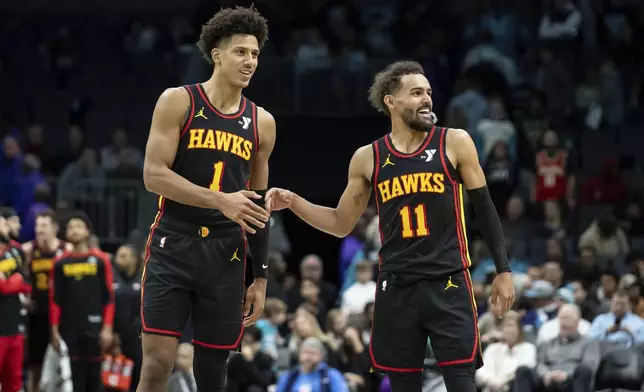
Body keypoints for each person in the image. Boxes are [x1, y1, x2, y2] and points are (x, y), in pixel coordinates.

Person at [266, 60, 515, 392]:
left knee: (462, 384)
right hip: (397, 288)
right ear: (391, 101)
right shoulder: (367, 157)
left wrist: (503, 269)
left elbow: (484, 209)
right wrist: (295, 201)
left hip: (449, 281)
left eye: (428, 92)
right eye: (415, 93)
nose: (426, 99)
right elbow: (341, 223)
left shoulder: (454, 142)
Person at [138, 6, 275, 392]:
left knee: (214, 374)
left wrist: (261, 277)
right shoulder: (178, 101)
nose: (250, 61)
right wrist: (220, 200)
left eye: (255, 54)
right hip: (174, 241)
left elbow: (259, 203)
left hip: (226, 253)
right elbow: (154, 175)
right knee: (157, 365)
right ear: (217, 54)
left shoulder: (263, 122)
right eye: (241, 52)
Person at [50, 212, 115, 392]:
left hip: (95, 327)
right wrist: (54, 329)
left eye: (78, 226)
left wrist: (107, 327)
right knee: (72, 378)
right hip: (69, 327)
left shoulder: (101, 260)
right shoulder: (60, 263)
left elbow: (108, 297)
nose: (74, 230)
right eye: (70, 227)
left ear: (87, 231)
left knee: (94, 378)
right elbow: (55, 299)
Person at [21, 209, 70, 392]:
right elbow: (22, 275)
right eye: (36, 225)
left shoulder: (66, 249)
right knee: (35, 365)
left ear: (54, 228)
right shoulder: (28, 250)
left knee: (63, 363)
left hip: (61, 313)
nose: (38, 229)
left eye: (43, 225)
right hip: (37, 313)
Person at [0, 218, 31, 392]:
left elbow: (26, 283)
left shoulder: (14, 251)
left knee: (14, 383)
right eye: (3, 223)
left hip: (14, 328)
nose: (7, 226)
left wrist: (11, 281)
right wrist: (14, 282)